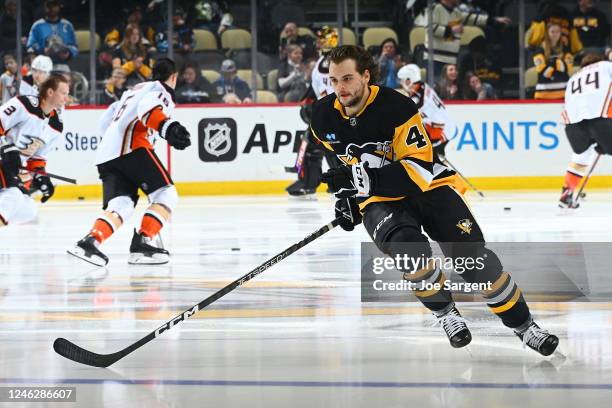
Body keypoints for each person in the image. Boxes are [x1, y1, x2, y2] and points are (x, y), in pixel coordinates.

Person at [313, 45, 558, 356]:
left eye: (347, 78)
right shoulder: (322, 116)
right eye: (334, 81)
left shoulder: (397, 107)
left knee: (475, 263)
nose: (340, 88)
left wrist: (360, 181)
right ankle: (446, 314)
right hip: (379, 201)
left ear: (365, 76)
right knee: (409, 253)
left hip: (427, 188)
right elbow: (338, 163)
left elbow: (418, 169)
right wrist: (346, 199)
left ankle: (526, 328)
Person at [67, 58, 191, 267]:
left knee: (121, 203)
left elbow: (105, 121)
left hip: (107, 154)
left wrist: (115, 144)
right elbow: (148, 108)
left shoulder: (133, 90)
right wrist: (168, 127)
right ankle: (143, 241)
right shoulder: (162, 90)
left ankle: (90, 241)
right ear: (174, 77)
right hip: (132, 148)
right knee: (166, 193)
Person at [0, 74, 69, 228]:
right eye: (63, 93)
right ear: (50, 92)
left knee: (28, 209)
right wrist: (5, 148)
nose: (66, 98)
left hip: (11, 168)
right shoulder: (24, 104)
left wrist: (42, 176)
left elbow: (37, 158)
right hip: (2, 160)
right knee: (13, 195)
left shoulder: (56, 125)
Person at [285, 26, 340, 197]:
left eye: (321, 38)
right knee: (322, 147)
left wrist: (322, 110)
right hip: (329, 112)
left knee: (322, 147)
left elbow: (329, 89)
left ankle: (313, 183)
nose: (317, 42)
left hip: (331, 113)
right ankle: (327, 183)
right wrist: (308, 98)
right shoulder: (325, 60)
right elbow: (318, 87)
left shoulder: (329, 61)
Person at [559, 53, 611, 208]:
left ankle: (566, 192)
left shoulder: (573, 78)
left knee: (582, 156)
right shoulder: (606, 66)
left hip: (573, 129)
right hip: (599, 121)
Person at [415, 0, 510, 78]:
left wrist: (494, 20)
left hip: (451, 61)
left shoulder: (456, 13)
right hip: (435, 60)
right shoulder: (434, 9)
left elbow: (474, 18)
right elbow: (430, 28)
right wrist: (451, 30)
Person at [26, 0, 78, 64]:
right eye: (49, 6)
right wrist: (42, 50)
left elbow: (75, 46)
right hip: (43, 64)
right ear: (44, 7)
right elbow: (30, 47)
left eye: (54, 6)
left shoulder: (67, 25)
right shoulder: (37, 25)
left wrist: (68, 53)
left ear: (59, 7)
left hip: (63, 63)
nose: (52, 9)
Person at [533, 23, 574, 100]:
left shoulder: (566, 49)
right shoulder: (539, 50)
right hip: (543, 94)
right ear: (547, 33)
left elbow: (566, 69)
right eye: (552, 31)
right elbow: (543, 72)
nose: (555, 34)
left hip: (563, 92)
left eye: (558, 31)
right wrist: (557, 63)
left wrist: (551, 64)